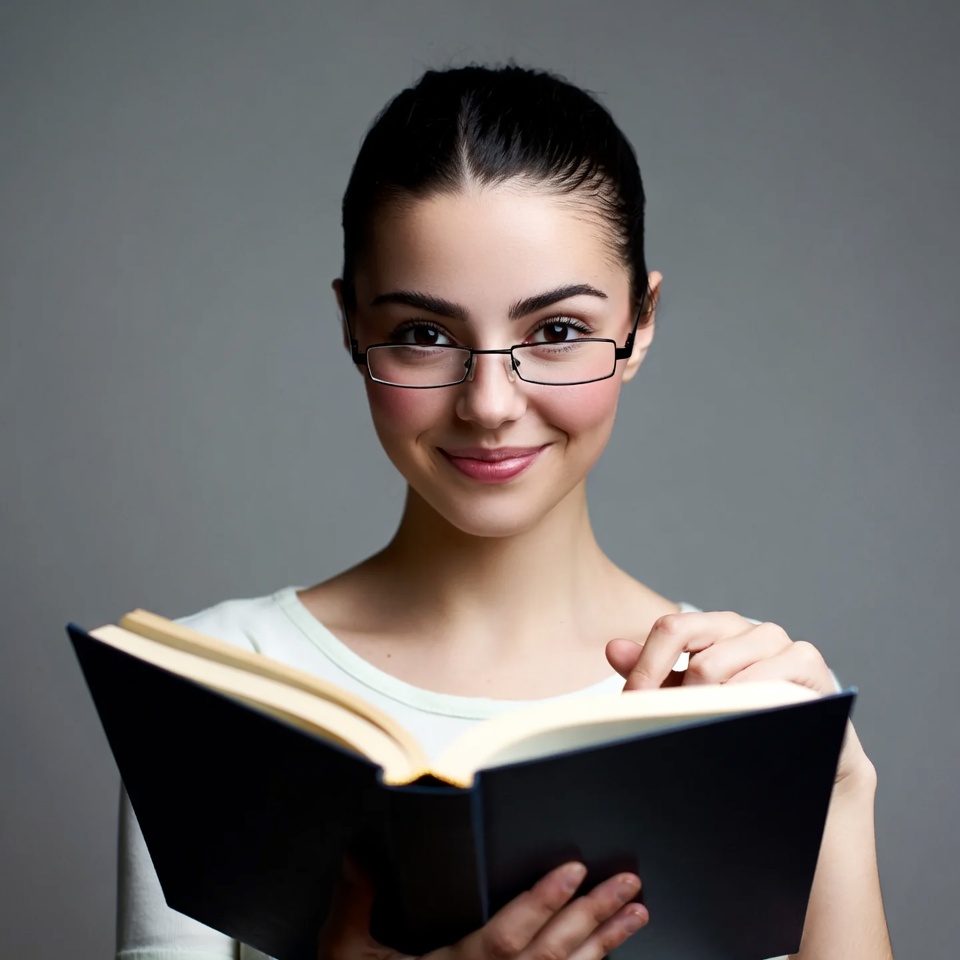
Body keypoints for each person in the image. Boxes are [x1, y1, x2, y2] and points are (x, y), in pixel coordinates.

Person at [116, 64, 893, 960]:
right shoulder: (210, 689)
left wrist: (831, 791)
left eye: (557, 332)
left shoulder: (740, 707)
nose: (489, 403)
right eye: (423, 333)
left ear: (640, 324)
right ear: (350, 326)